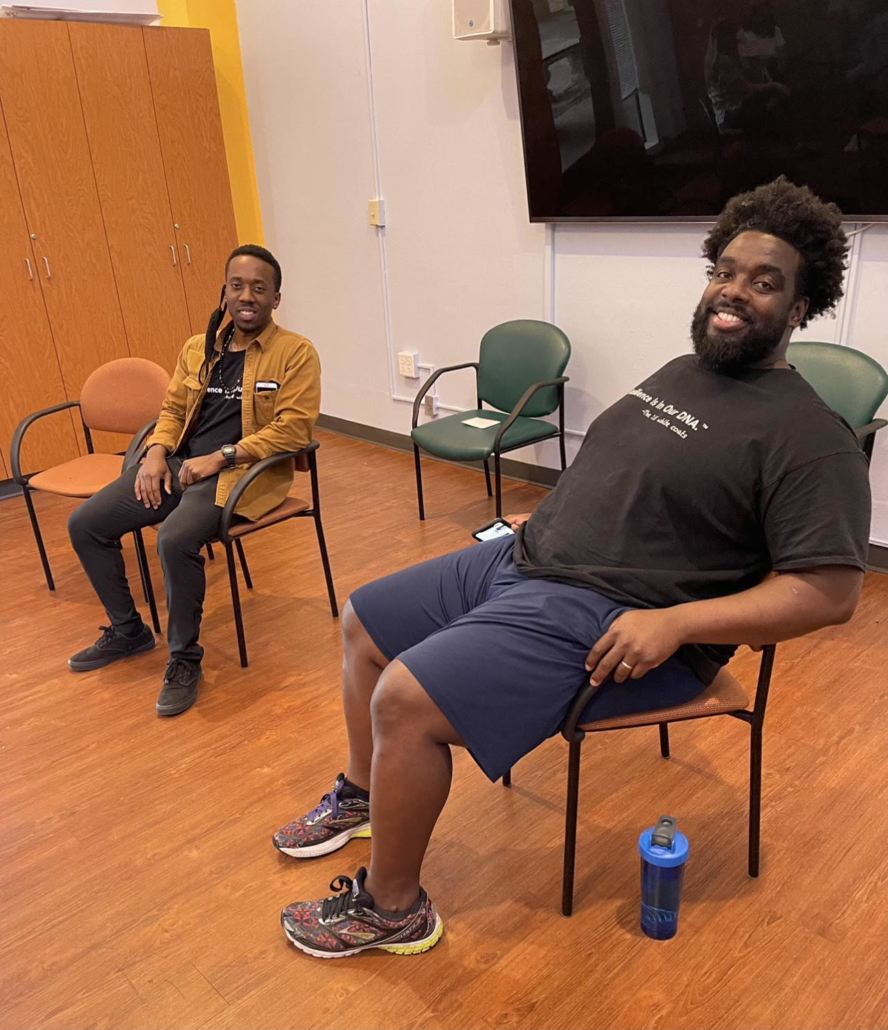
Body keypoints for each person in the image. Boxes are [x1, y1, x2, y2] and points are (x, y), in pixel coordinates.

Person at [271, 178, 871, 960]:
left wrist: (678, 623)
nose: (734, 292)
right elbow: (634, 470)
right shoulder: (689, 369)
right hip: (534, 556)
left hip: (622, 616)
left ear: (798, 308)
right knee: (362, 621)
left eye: (765, 282)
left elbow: (829, 592)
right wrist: (547, 517)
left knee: (405, 701)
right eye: (725, 271)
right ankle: (361, 795)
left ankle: (394, 910)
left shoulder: (809, 436)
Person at [67, 245, 321, 717]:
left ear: (276, 298)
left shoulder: (295, 353)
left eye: (259, 288)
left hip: (240, 476)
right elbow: (173, 411)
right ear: (224, 292)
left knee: (174, 539)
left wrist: (221, 456)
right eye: (237, 285)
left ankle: (184, 660)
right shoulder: (197, 347)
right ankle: (128, 631)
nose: (247, 296)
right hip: (180, 464)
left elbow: (294, 428)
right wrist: (156, 453)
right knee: (85, 524)